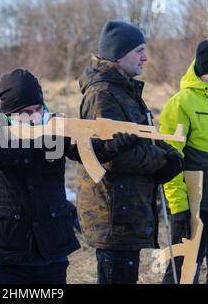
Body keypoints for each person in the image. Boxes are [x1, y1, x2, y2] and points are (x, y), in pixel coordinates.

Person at [76, 20, 183, 284]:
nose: (145, 57)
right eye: (139, 50)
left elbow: (145, 137)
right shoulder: (103, 94)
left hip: (127, 212)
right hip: (114, 215)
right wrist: (161, 161)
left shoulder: (126, 91)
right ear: (118, 54)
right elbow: (113, 155)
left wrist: (171, 154)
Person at [0, 68, 83, 284]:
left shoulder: (55, 124)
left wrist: (110, 146)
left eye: (38, 109)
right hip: (7, 251)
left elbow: (82, 151)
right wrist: (35, 142)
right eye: (26, 113)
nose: (35, 117)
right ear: (8, 113)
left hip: (52, 247)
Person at [160, 39, 208, 284]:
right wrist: (180, 209)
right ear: (207, 67)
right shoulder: (180, 103)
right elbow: (168, 161)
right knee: (182, 277)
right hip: (196, 211)